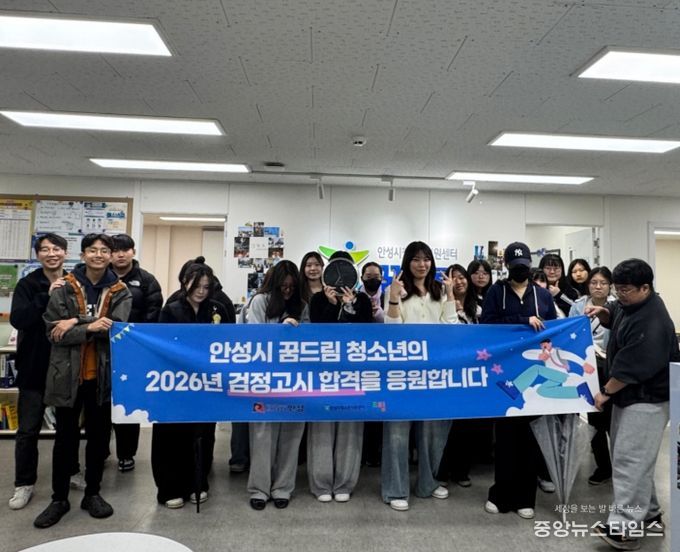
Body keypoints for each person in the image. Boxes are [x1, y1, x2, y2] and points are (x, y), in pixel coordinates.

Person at [34, 233, 132, 528]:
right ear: (83, 254)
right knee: (65, 440)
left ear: (111, 256)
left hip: (101, 376)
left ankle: (92, 494)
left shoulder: (121, 290)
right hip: (67, 376)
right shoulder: (64, 287)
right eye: (92, 250)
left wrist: (76, 321)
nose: (98, 255)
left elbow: (115, 329)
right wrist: (90, 325)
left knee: (99, 439)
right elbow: (53, 332)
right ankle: (59, 499)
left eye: (104, 251)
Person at [587, 259, 678, 550]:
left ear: (645, 288)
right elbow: (618, 311)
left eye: (625, 290)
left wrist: (605, 392)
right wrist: (605, 312)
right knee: (635, 458)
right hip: (631, 397)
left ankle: (624, 528)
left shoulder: (652, 322)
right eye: (617, 289)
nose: (619, 295)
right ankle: (649, 514)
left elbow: (632, 368)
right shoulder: (633, 304)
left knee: (630, 461)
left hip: (648, 399)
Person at [481, 241, 556, 520]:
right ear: (507, 267)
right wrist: (523, 319)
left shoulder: (542, 295)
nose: (520, 271)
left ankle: (526, 497)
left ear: (530, 266)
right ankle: (500, 495)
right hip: (505, 374)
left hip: (534, 374)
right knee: (505, 437)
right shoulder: (496, 292)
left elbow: (552, 329)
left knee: (529, 438)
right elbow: (487, 325)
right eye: (515, 267)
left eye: (524, 266)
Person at [382, 241, 458, 512]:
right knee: (397, 433)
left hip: (434, 373)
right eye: (416, 259)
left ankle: (429, 482)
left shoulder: (439, 290)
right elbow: (391, 331)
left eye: (426, 259)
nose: (422, 264)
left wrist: (450, 294)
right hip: (402, 375)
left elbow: (451, 328)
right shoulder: (396, 290)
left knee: (433, 433)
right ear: (407, 262)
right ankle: (395, 490)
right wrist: (393, 298)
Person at [152, 262, 234, 509]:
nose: (201, 291)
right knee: (172, 436)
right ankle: (169, 488)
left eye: (206, 287)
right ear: (184, 283)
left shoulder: (218, 309)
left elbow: (230, 342)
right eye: (196, 286)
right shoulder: (171, 309)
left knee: (203, 435)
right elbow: (160, 345)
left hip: (207, 384)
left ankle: (197, 484)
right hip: (175, 384)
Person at [8, 234, 77, 511]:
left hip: (66, 366)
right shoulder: (28, 284)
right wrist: (45, 296)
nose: (51, 253)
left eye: (56, 248)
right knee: (28, 430)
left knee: (68, 429)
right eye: (45, 249)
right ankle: (24, 483)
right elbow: (19, 319)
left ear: (65, 252)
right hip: (34, 366)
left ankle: (71, 472)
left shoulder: (75, 281)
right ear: (38, 255)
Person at [307, 251, 373, 503]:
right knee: (321, 427)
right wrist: (332, 304)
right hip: (322, 375)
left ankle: (345, 482)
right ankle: (321, 484)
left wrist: (349, 306)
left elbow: (366, 332)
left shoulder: (363, 300)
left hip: (353, 375)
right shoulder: (317, 299)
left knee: (350, 428)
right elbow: (317, 330)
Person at [247, 260, 307, 510]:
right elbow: (253, 338)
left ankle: (283, 487)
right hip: (265, 380)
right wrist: (281, 332)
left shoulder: (302, 305)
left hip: (295, 381)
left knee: (291, 436)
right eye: (283, 286)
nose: (287, 290)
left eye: (292, 286)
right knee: (262, 436)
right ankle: (259, 489)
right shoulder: (260, 301)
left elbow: (310, 342)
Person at [110, 234, 163, 473]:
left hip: (132, 351)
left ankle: (126, 454)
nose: (120, 254)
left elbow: (154, 314)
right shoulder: (99, 277)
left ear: (133, 251)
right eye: (115, 250)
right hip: (98, 347)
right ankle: (100, 450)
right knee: (99, 404)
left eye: (125, 249)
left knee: (127, 401)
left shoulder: (147, 281)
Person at [437, 264, 487, 488]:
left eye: (462, 277)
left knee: (468, 424)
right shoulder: (441, 304)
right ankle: (442, 471)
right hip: (450, 371)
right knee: (448, 424)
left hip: (473, 371)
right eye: (453, 278)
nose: (459, 282)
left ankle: (461, 470)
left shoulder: (478, 307)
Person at [569, 266, 615, 486]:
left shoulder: (617, 306)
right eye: (594, 282)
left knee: (614, 420)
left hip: (612, 367)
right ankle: (603, 467)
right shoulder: (578, 306)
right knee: (595, 419)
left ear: (610, 286)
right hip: (587, 368)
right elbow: (569, 333)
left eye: (603, 283)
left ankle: (621, 466)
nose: (598, 287)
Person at [358, 261, 385, 466]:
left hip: (382, 359)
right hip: (359, 358)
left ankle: (375, 453)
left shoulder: (389, 296)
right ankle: (361, 453)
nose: (372, 280)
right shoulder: (354, 296)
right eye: (368, 276)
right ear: (362, 278)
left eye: (376, 276)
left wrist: (378, 311)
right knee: (360, 407)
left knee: (379, 407)